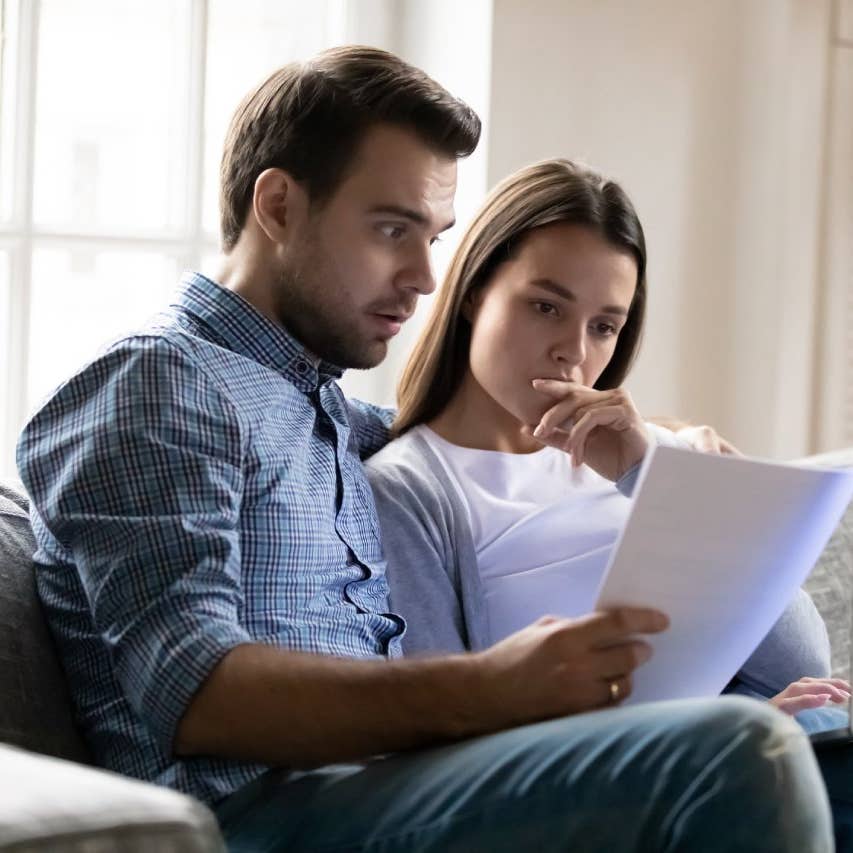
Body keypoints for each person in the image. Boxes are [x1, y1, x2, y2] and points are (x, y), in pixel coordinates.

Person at [16, 47, 833, 852]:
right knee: (735, 749)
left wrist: (665, 460)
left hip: (375, 791)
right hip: (257, 818)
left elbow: (478, 434)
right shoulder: (158, 382)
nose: (423, 275)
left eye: (433, 236)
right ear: (277, 206)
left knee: (824, 743)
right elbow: (192, 690)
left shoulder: (324, 409)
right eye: (390, 230)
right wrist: (499, 686)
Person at [366, 158, 847, 721]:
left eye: (604, 327)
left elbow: (804, 665)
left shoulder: (656, 455)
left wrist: (652, 473)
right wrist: (722, 736)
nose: (573, 351)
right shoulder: (407, 491)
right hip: (628, 778)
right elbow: (446, 732)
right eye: (546, 307)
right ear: (474, 291)